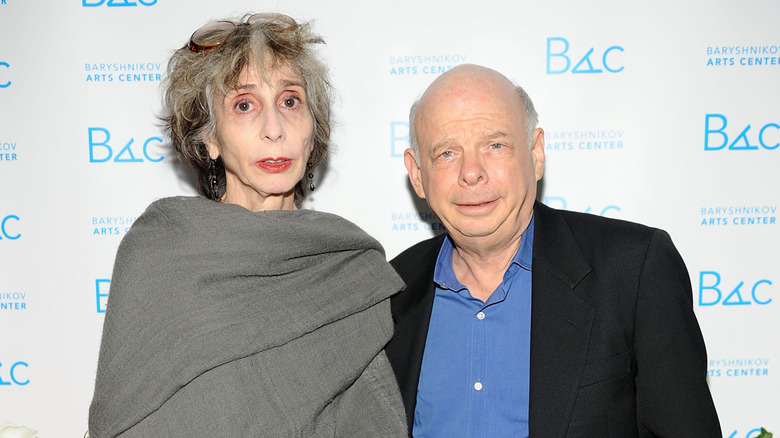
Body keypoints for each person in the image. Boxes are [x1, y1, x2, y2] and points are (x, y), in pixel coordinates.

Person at [88, 13, 406, 437]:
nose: (274, 129)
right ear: (210, 137)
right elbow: (122, 417)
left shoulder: (348, 262)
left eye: (290, 101)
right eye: (244, 105)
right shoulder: (162, 253)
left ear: (313, 129)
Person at [384, 64, 721, 437]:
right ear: (417, 174)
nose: (472, 172)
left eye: (495, 145)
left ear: (536, 153)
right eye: (447, 152)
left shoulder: (633, 270)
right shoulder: (388, 295)